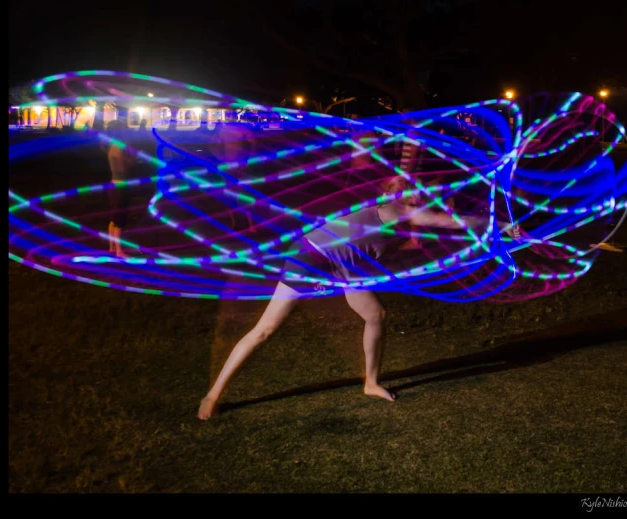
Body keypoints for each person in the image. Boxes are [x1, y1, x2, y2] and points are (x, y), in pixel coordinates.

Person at [198, 175, 519, 419]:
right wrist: (500, 225)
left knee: (375, 315)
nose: (433, 200)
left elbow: (430, 235)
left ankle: (371, 383)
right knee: (265, 329)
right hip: (312, 256)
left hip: (342, 265)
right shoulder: (400, 212)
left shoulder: (401, 220)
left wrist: (484, 233)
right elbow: (447, 222)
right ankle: (213, 395)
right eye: (427, 194)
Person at [105, 120, 136, 257]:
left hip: (113, 183)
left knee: (113, 217)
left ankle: (112, 248)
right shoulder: (120, 146)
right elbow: (123, 168)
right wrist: (133, 159)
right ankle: (119, 251)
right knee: (120, 219)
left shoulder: (111, 145)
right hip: (121, 184)